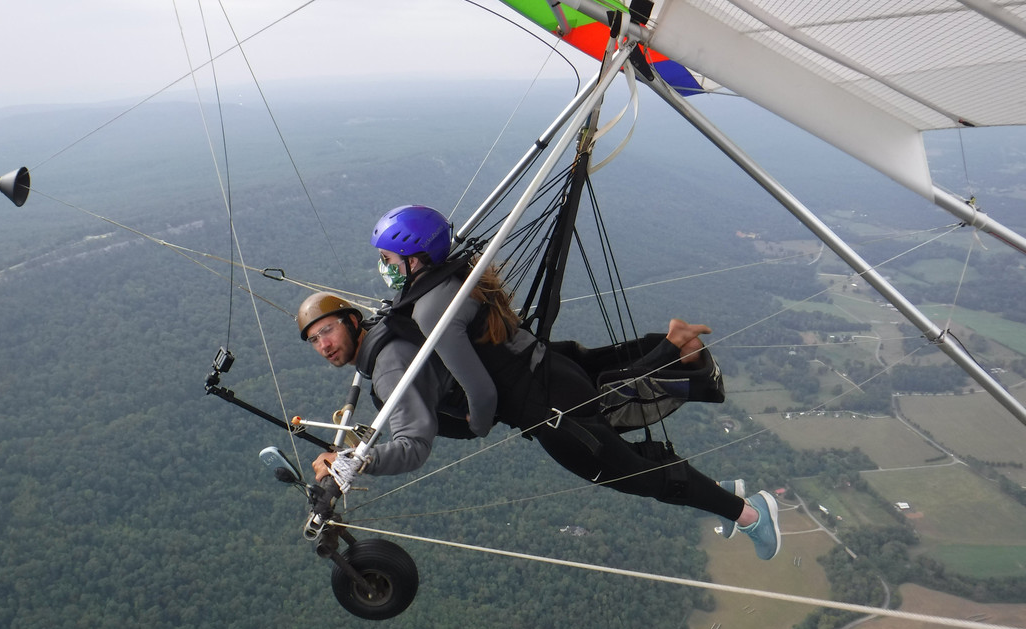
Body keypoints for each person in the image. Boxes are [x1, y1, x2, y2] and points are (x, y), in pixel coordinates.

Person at [297, 209, 782, 561]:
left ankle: (751, 514)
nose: (383, 267)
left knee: (628, 474)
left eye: (388, 257)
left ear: (413, 257)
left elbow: (482, 394)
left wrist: (476, 425)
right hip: (549, 373)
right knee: (621, 439)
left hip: (546, 405)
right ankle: (713, 473)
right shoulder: (450, 277)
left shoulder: (429, 311)